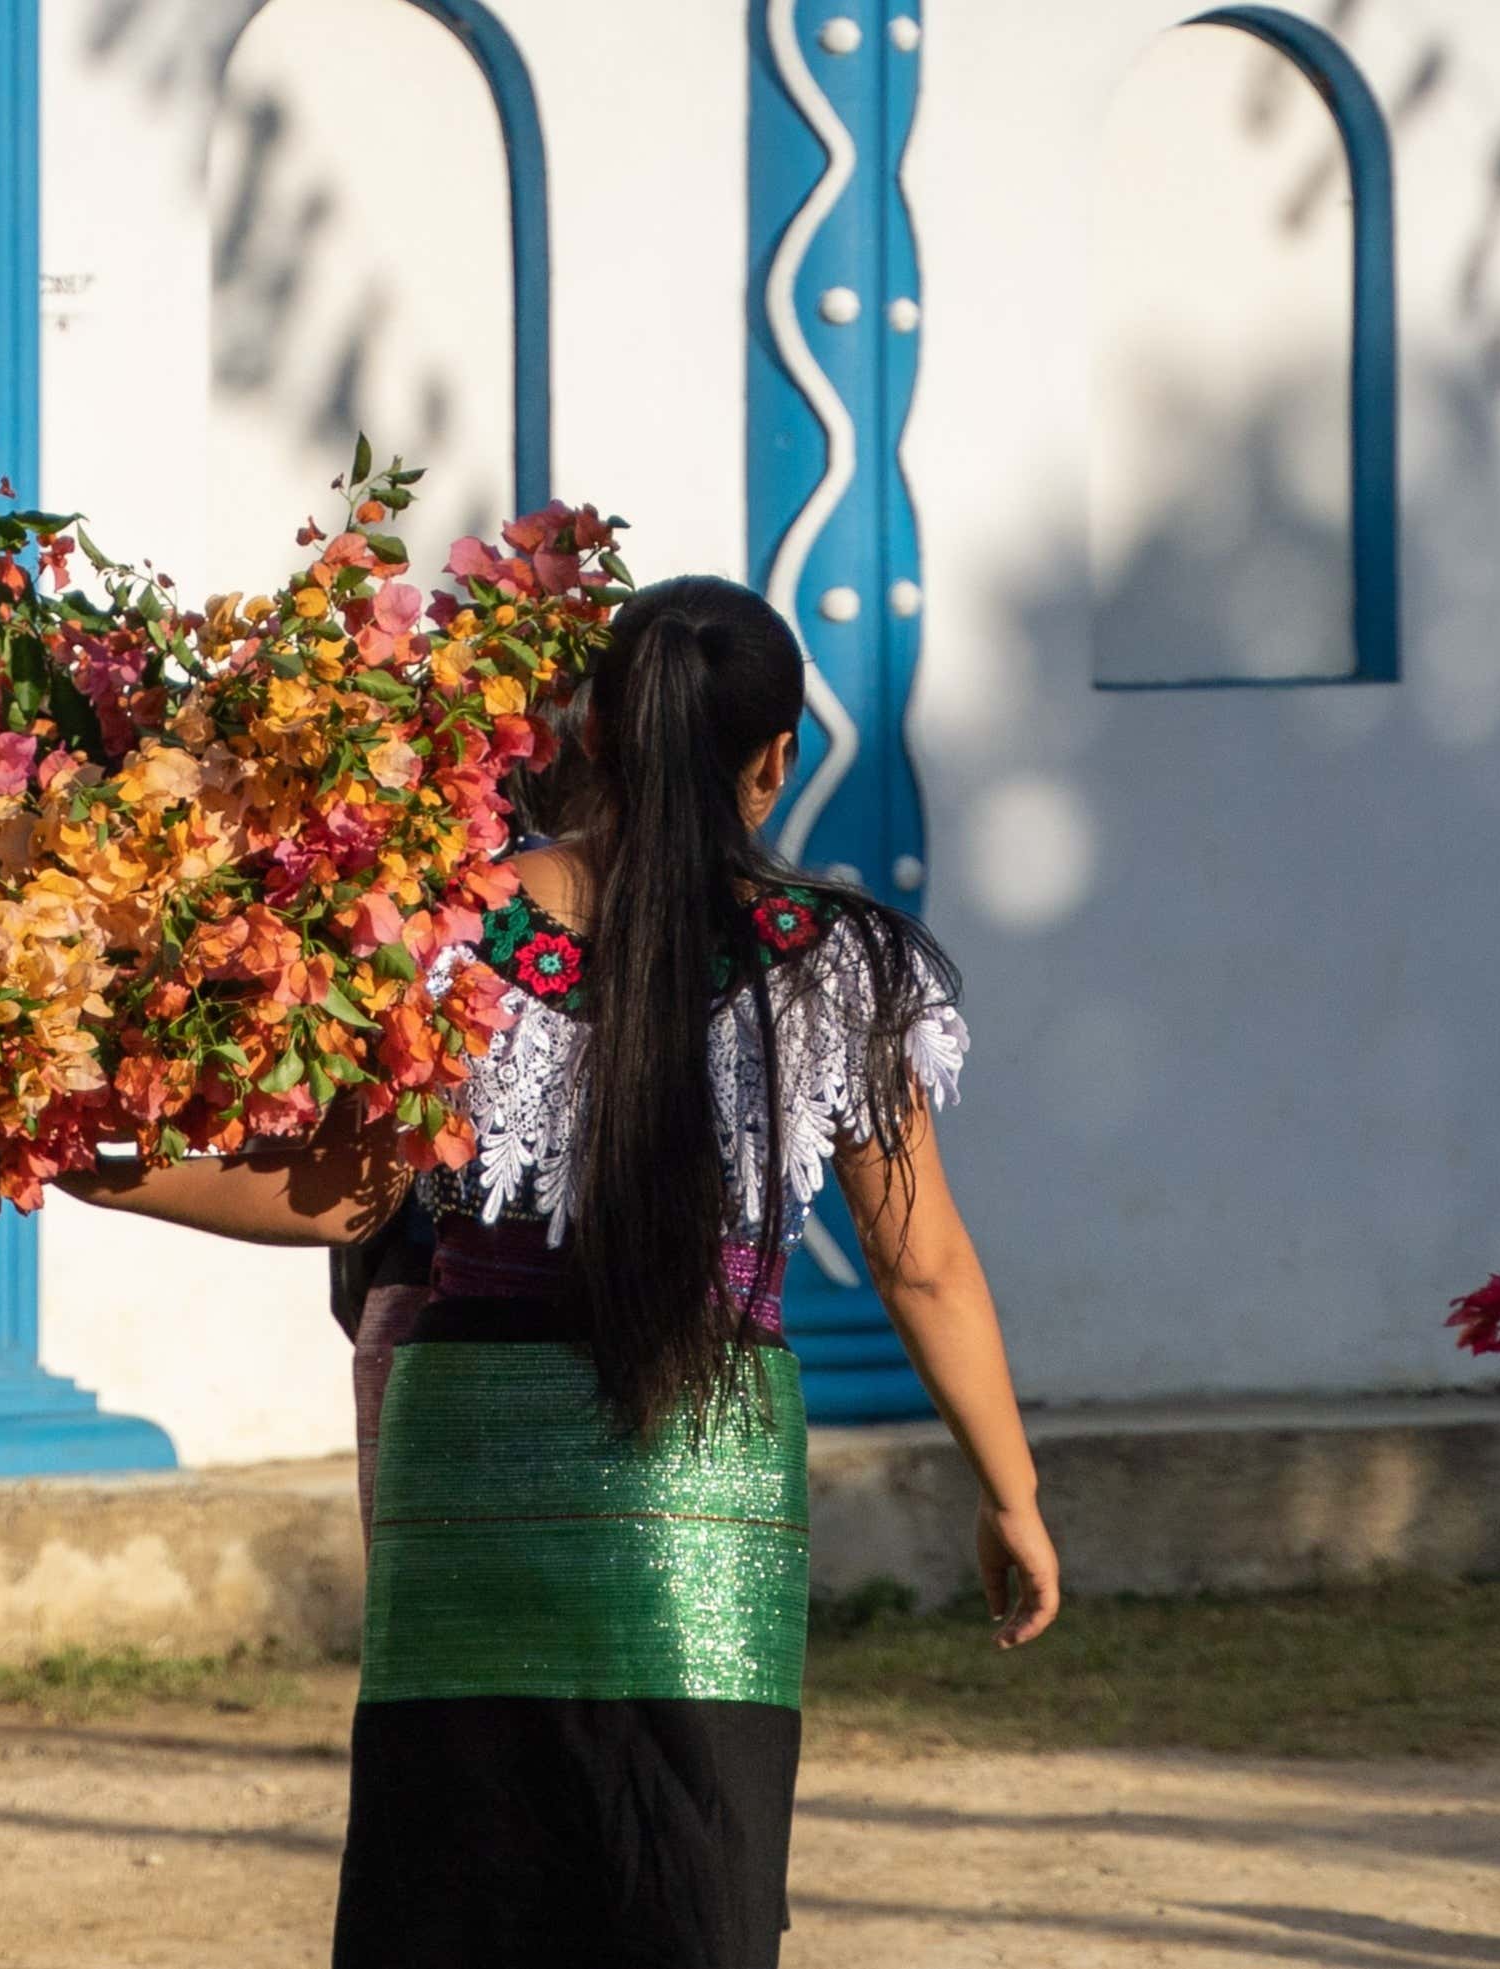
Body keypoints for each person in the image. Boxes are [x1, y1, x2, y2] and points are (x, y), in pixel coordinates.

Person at [57, 575, 1061, 1969]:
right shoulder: (830, 963)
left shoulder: (451, 933)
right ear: (775, 761)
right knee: (686, 1873)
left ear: (587, 727)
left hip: (470, 1453)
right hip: (700, 1471)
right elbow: (924, 1265)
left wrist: (86, 1160)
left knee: (456, 1881)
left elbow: (346, 1193)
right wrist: (1010, 1496)